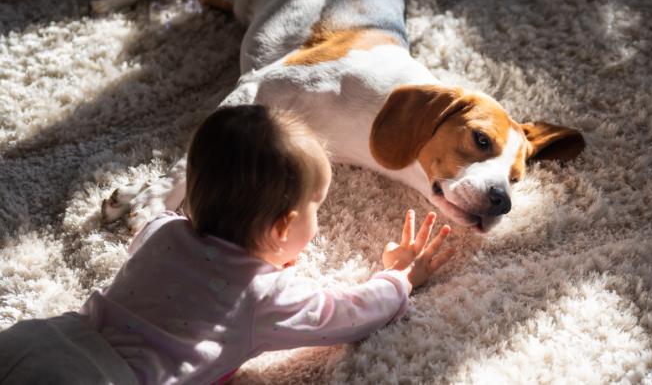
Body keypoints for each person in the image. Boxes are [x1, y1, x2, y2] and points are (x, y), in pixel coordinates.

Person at [0, 105, 455, 385]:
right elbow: (352, 312)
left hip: (39, 339)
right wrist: (400, 277)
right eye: (316, 207)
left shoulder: (161, 232)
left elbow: (154, 223)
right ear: (284, 227)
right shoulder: (264, 296)